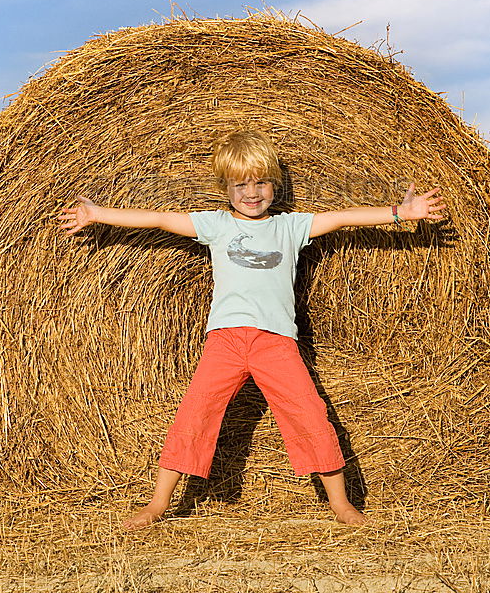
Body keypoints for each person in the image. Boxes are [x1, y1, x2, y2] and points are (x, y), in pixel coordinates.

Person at [58, 130, 446, 528]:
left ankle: (342, 505)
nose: (251, 192)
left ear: (274, 185)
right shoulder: (217, 225)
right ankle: (157, 505)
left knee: (309, 413)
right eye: (240, 183)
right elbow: (158, 219)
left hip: (276, 341)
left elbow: (344, 218)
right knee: (195, 413)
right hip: (225, 340)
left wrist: (400, 213)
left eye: (260, 182)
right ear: (225, 187)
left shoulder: (290, 227)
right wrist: (98, 214)